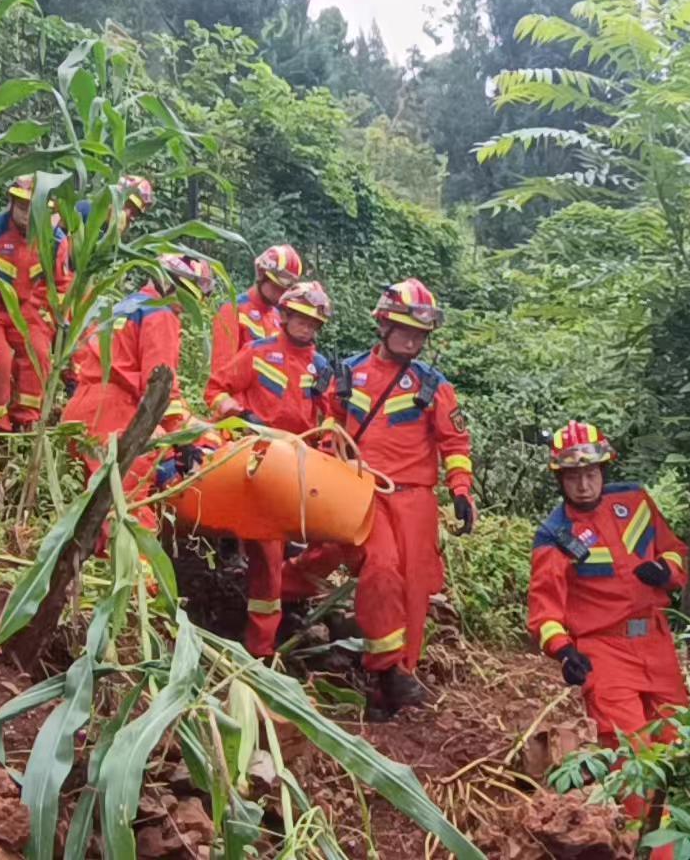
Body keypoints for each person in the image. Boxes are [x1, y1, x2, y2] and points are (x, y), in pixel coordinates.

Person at [289, 278, 474, 717]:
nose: (413, 341)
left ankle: (396, 680)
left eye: (420, 335)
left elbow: (455, 443)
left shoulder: (433, 386)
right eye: (405, 330)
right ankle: (386, 668)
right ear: (384, 326)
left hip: (417, 501)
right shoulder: (349, 374)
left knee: (414, 591)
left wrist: (462, 491)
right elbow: (325, 430)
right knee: (382, 569)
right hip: (362, 492)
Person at [527, 421, 689, 847]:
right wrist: (563, 651)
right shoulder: (555, 535)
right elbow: (544, 610)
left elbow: (675, 550)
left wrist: (666, 570)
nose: (583, 484)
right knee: (632, 756)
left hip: (656, 642)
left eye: (591, 472)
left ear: (604, 470)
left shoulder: (635, 502)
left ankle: (686, 836)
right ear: (560, 479)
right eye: (573, 476)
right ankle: (656, 849)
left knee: (679, 742)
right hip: (604, 651)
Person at [204, 281, 338, 656]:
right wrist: (240, 416)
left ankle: (291, 611)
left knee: (313, 545)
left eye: (314, 323)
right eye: (301, 319)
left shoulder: (322, 367)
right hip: (262, 463)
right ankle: (259, 650)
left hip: (301, 467)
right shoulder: (257, 352)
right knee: (266, 556)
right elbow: (216, 391)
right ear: (286, 315)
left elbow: (331, 420)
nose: (307, 327)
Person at [61, 253, 214, 513]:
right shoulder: (161, 315)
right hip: (116, 417)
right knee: (128, 514)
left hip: (82, 411)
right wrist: (185, 441)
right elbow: (159, 388)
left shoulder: (127, 306)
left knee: (95, 509)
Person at [0, 176, 71, 431]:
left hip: (26, 308)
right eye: (22, 206)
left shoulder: (53, 241)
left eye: (34, 207)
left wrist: (61, 323)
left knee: (38, 353)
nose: (27, 213)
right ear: (11, 203)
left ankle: (27, 419)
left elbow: (61, 286)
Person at [211, 244, 304, 371]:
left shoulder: (279, 318)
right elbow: (221, 369)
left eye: (285, 290)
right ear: (262, 275)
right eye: (277, 287)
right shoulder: (233, 310)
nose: (281, 294)